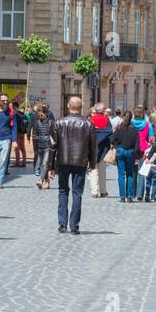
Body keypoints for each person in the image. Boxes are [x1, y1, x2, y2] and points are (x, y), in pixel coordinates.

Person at [49, 95, 96, 234]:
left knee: (63, 191)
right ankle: (74, 226)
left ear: (69, 106)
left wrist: (51, 167)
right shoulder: (88, 124)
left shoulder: (59, 123)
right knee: (77, 193)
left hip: (63, 161)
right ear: (81, 108)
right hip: (80, 162)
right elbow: (93, 146)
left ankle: (62, 224)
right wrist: (92, 164)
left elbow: (52, 146)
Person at [112, 110, 140, 202]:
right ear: (131, 118)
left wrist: (117, 144)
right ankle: (129, 196)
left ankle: (122, 197)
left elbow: (112, 140)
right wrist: (136, 155)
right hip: (130, 152)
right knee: (130, 174)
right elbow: (137, 145)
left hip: (120, 151)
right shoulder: (135, 130)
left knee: (121, 175)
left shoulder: (118, 128)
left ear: (123, 117)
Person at [87, 105, 113, 198]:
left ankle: (94, 191)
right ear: (102, 111)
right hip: (103, 149)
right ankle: (103, 191)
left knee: (93, 170)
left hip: (92, 148)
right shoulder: (106, 120)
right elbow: (110, 134)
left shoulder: (90, 120)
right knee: (102, 170)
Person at [32, 103, 55, 189]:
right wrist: (36, 140)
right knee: (42, 164)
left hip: (48, 146)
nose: (40, 116)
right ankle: (46, 181)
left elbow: (54, 136)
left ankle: (40, 179)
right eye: (39, 115)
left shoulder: (51, 123)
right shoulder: (37, 122)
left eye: (41, 114)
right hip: (39, 145)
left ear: (46, 114)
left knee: (45, 163)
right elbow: (34, 134)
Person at [12, 99, 29, 168]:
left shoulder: (15, 113)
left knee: (16, 147)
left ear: (14, 106)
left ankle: (17, 162)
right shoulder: (22, 113)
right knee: (22, 148)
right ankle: (24, 162)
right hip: (23, 132)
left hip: (17, 132)